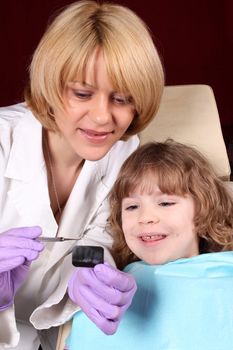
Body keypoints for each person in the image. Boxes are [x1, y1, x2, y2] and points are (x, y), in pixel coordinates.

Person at [0, 1, 164, 349]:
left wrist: (91, 278)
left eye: (122, 98)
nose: (103, 117)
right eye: (82, 93)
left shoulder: (125, 151)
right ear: (50, 86)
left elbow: (101, 238)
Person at [66, 140, 233, 350]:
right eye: (132, 206)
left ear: (203, 208)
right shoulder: (110, 289)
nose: (145, 217)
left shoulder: (226, 279)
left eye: (165, 203)